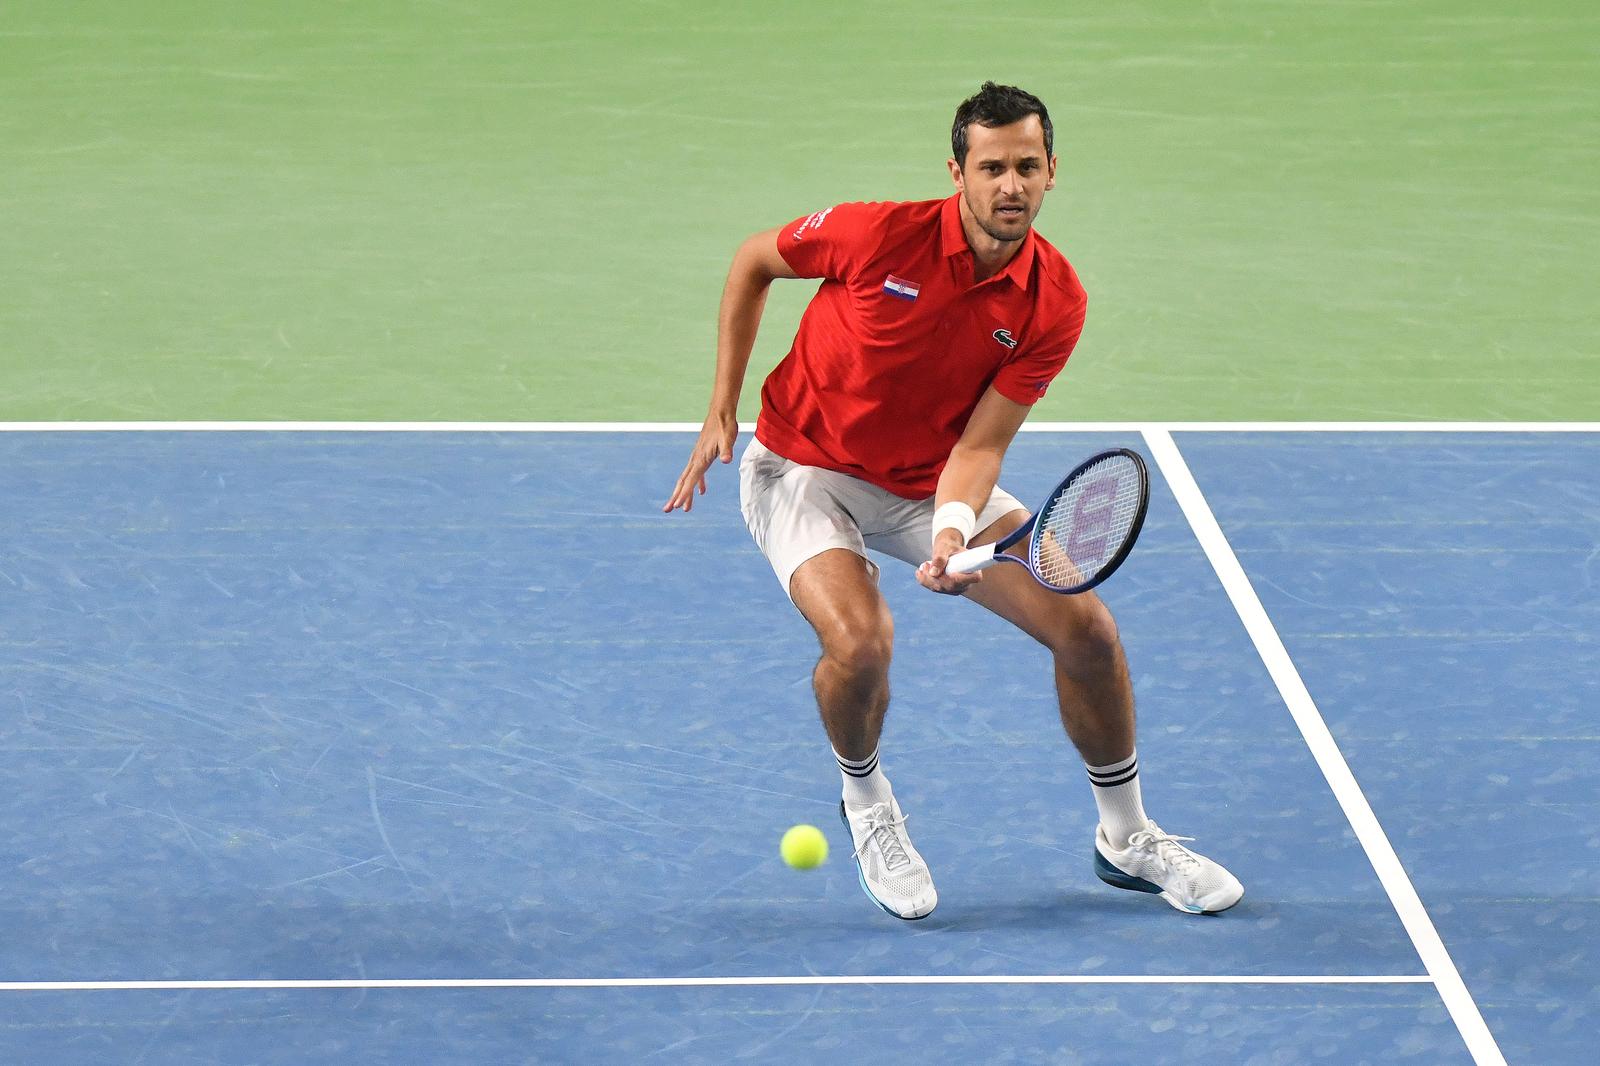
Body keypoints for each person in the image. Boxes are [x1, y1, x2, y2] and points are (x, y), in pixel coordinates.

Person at [663, 82, 1242, 921]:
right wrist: (722, 401)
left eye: (1028, 167)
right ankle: (866, 802)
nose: (1011, 185)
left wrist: (951, 529)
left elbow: (979, 445)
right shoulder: (875, 235)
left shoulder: (1056, 299)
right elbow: (755, 258)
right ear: (958, 173)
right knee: (862, 645)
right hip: (801, 468)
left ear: (1052, 174)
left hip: (923, 480)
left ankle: (1127, 838)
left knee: (1086, 629)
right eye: (993, 167)